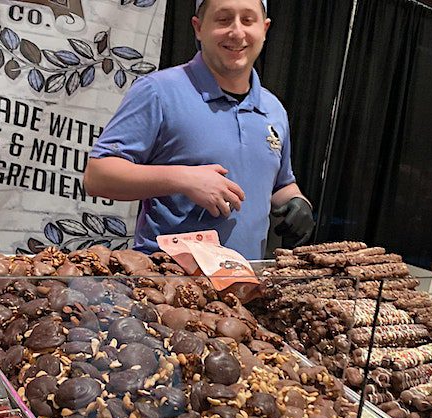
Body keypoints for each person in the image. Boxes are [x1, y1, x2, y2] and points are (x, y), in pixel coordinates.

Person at [84, 0, 313, 259]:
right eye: (223, 20)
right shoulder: (158, 92)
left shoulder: (273, 109)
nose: (237, 33)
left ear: (264, 29)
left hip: (246, 287)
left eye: (248, 20)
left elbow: (281, 185)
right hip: (167, 287)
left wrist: (297, 203)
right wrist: (184, 179)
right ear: (198, 28)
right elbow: (98, 177)